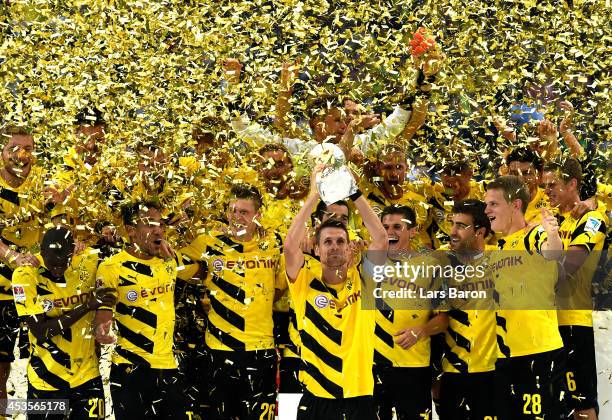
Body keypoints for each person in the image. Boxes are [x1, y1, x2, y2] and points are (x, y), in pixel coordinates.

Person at [283, 166, 388, 419]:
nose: (334, 247)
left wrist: (354, 193)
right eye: (327, 242)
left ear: (349, 245)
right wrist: (314, 195)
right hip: (316, 398)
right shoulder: (303, 280)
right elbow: (290, 245)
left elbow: (381, 239)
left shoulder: (365, 279)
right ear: (317, 250)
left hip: (359, 396)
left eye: (340, 241)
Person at [181, 184, 285, 420]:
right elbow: (176, 265)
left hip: (261, 349)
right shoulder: (208, 242)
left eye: (244, 212)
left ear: (258, 215)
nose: (236, 217)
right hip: (219, 350)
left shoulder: (275, 243)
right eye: (232, 210)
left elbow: (279, 288)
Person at [93, 201, 196, 419]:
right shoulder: (112, 267)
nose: (158, 230)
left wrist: (178, 258)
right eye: (149, 225)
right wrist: (103, 327)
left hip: (168, 366)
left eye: (160, 225)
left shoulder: (170, 260)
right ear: (131, 231)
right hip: (131, 369)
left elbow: (204, 272)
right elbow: (104, 310)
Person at [484, 175, 568, 419]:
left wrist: (553, 234)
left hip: (538, 353)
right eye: (486, 204)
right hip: (504, 357)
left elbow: (552, 252)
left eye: (493, 203)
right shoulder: (499, 248)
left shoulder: (533, 234)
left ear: (515, 205)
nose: (486, 209)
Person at [11, 226, 112, 419]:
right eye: (52, 263)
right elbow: (40, 331)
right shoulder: (25, 276)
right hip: (45, 381)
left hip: (88, 378)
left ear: (72, 253)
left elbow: (114, 256)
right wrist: (86, 306)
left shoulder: (88, 261)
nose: (58, 268)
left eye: (63, 262)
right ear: (41, 254)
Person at [543, 157, 607, 420]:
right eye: (544, 186)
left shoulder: (592, 219)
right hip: (546, 323)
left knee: (581, 403)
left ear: (572, 184)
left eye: (553, 185)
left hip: (573, 321)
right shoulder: (555, 221)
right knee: (555, 404)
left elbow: (570, 264)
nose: (547, 191)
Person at [373, 204, 448, 420]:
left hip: (412, 365)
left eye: (397, 226)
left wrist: (422, 330)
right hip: (372, 364)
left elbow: (443, 319)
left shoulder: (431, 266)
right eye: (385, 226)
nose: (390, 232)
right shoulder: (366, 261)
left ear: (414, 231)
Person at [438, 200, 497, 419]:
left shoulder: (502, 257)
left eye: (461, 226)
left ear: (480, 231)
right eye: (452, 224)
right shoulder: (440, 260)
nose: (452, 232)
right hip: (453, 371)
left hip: (493, 371)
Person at [0, 126, 45, 406]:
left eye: (27, 148)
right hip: (1, 292)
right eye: (13, 148)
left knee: (44, 363)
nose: (21, 155)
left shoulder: (45, 183)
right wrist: (11, 257)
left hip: (37, 291)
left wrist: (37, 259)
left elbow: (61, 227)